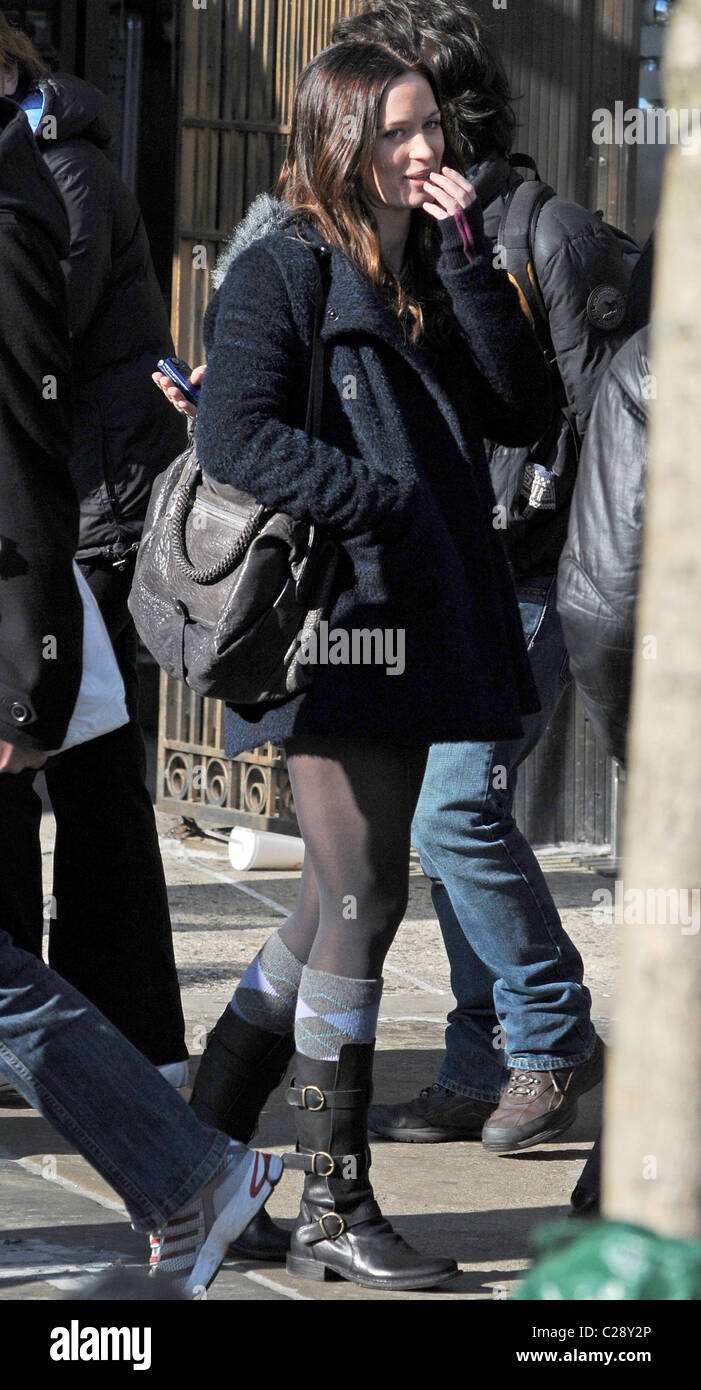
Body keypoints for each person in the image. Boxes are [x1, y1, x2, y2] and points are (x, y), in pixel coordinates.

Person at [172, 39, 553, 1290]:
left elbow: (519, 410)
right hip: (334, 628)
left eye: (431, 127)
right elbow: (235, 435)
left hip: (417, 627)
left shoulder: (421, 258)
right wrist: (378, 502)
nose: (424, 150)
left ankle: (198, 1156)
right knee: (358, 900)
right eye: (396, 132)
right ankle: (333, 1197)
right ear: (339, 136)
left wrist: (465, 266)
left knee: (319, 903)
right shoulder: (281, 263)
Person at [331, 1, 635, 1153]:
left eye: (403, 113)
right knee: (437, 812)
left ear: (445, 115)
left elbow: (598, 421)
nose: (388, 142)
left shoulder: (541, 234)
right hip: (443, 570)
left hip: (534, 570)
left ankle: (551, 1032)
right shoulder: (392, 233)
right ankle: (478, 1055)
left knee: (459, 808)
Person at [0, 91, 282, 1298]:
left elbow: (22, 443)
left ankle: (181, 1146)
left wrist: (26, 678)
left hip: (77, 541)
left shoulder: (37, 185)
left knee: (100, 814)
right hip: (61, 547)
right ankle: (180, 1156)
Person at [0, 15, 188, 1085]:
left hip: (88, 517)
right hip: (52, 509)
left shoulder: (54, 173)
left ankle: (126, 1034)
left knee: (92, 775)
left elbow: (34, 340)